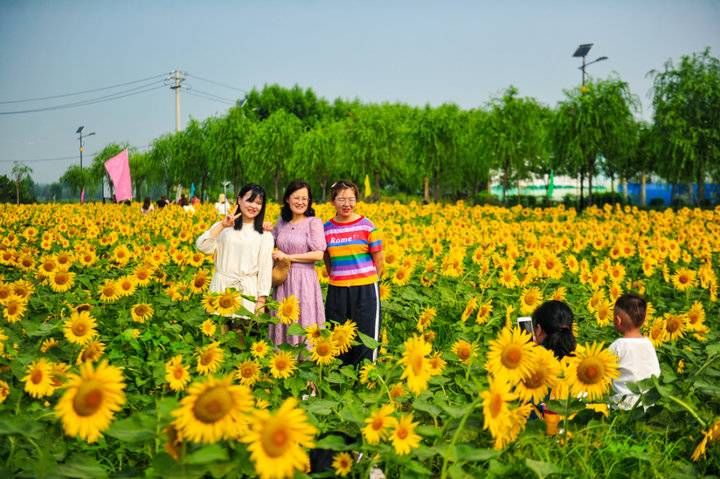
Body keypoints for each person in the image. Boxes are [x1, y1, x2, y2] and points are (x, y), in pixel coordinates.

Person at [324, 180, 383, 366]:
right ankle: (340, 381)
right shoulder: (326, 228)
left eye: (351, 199)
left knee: (366, 336)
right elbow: (327, 258)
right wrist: (338, 276)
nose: (346, 204)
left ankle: (366, 379)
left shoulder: (367, 226)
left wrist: (371, 280)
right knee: (337, 334)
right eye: (341, 199)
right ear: (333, 201)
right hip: (338, 289)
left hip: (365, 288)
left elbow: (379, 260)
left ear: (356, 200)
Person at [196, 184, 274, 316]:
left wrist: (261, 300)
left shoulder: (264, 234)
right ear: (239, 200)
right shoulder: (225, 227)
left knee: (240, 334)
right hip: (221, 288)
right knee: (219, 332)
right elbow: (202, 246)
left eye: (259, 203)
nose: (254, 206)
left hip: (247, 292)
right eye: (250, 200)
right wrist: (222, 225)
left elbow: (265, 269)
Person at [269, 181, 327, 346]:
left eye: (305, 198)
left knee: (304, 319)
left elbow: (318, 254)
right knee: (283, 318)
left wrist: (287, 257)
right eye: (296, 198)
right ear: (287, 199)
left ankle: (305, 361)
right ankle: (284, 360)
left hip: (304, 279)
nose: (301, 202)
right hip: (282, 278)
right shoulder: (281, 222)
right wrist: (265, 229)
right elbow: (269, 243)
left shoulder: (313, 222)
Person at [609, 293, 661, 410]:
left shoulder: (618, 346)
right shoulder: (649, 343)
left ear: (618, 320)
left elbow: (604, 374)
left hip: (623, 406)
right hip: (648, 404)